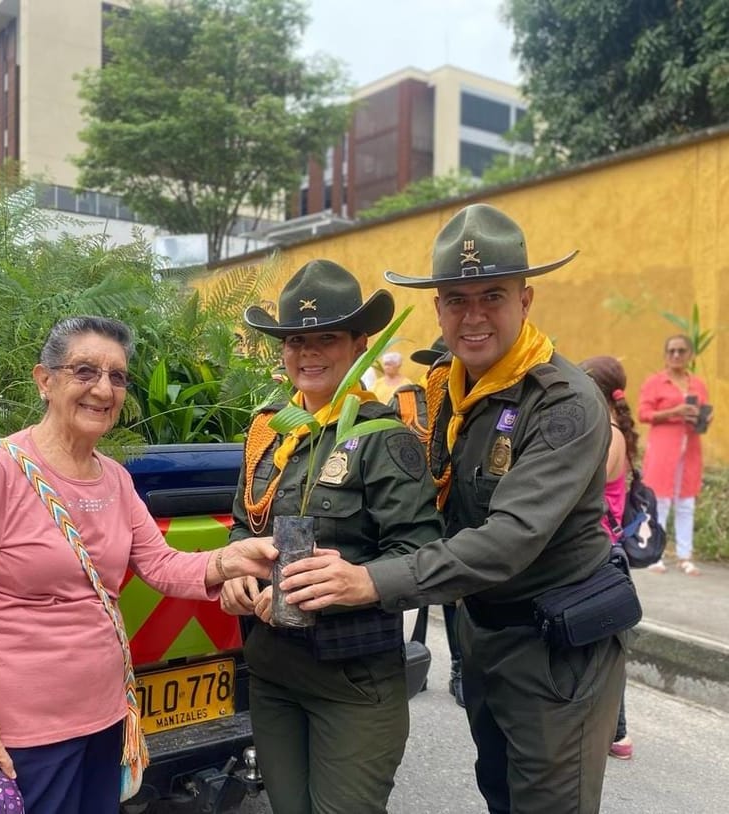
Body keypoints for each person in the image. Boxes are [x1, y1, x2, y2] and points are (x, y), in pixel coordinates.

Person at [280, 204, 626, 814]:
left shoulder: (563, 402)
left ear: (526, 300)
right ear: (438, 309)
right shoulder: (451, 388)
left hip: (556, 647)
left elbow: (509, 538)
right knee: (501, 792)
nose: (473, 316)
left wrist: (369, 581)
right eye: (457, 300)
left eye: (492, 296)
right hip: (485, 633)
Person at [0, 316, 276, 814]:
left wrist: (229, 559)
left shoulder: (115, 479)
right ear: (45, 380)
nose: (103, 389)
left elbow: (162, 565)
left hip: (107, 716)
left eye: (117, 377)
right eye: (84, 371)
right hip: (24, 731)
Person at [220, 259, 444, 814]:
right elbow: (243, 525)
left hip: (353, 681)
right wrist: (236, 573)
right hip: (273, 674)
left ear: (359, 344)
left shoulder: (383, 437)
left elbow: (422, 556)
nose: (309, 353)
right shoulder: (269, 431)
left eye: (327, 338)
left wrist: (354, 582)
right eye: (296, 340)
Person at [580, 355, 638, 760]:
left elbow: (584, 486)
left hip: (600, 552)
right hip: (604, 548)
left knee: (603, 647)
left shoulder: (610, 435)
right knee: (602, 644)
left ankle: (617, 732)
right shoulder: (614, 430)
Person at [402, 337, 465, 708]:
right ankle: (417, 663)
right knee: (418, 593)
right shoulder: (408, 403)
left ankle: (459, 668)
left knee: (456, 594)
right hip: (418, 509)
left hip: (456, 511)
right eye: (438, 364)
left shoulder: (470, 403)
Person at [638, 334, 712, 576]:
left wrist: (704, 417)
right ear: (665, 355)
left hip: (690, 450)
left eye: (681, 351)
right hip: (663, 450)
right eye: (671, 351)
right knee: (659, 502)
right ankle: (654, 555)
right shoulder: (655, 382)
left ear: (690, 355)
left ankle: (684, 556)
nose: (676, 355)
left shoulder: (698, 384)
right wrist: (675, 411)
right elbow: (644, 414)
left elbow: (704, 413)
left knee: (686, 503)